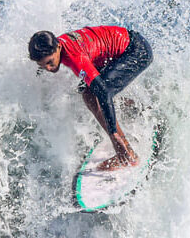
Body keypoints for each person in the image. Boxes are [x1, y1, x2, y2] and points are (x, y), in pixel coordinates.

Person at [28, 25, 153, 171]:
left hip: (137, 51)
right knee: (89, 90)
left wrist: (113, 134)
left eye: (50, 62)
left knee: (92, 94)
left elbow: (104, 92)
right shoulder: (58, 43)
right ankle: (138, 109)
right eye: (42, 65)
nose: (48, 68)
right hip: (125, 47)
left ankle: (125, 151)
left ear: (58, 47)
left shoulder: (75, 58)